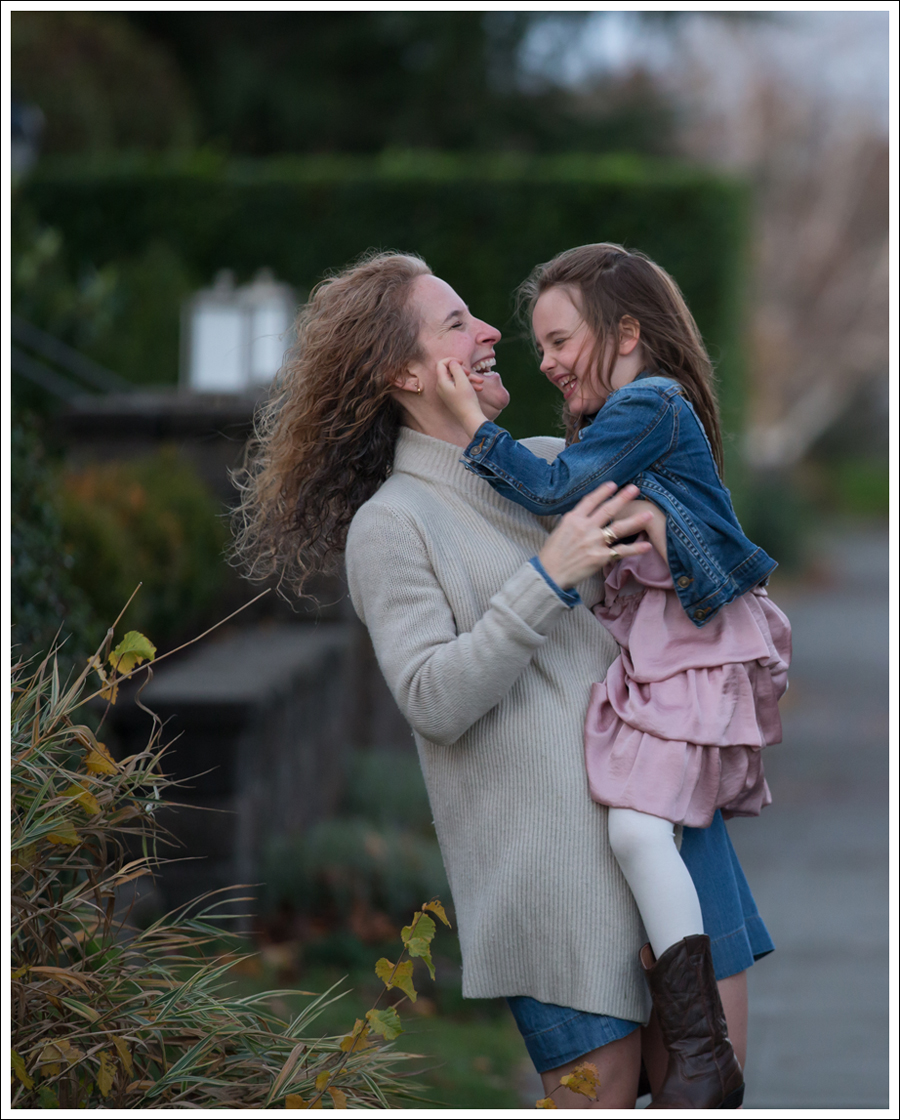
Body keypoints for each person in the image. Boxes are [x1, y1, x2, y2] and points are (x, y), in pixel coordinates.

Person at [232, 249, 775, 1109]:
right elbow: (434, 699)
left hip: (671, 825)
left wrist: (675, 539)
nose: (492, 332)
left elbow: (705, 575)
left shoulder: (557, 464)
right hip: (553, 881)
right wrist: (549, 576)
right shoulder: (392, 526)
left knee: (712, 1093)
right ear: (405, 372)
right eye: (458, 323)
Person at [435, 242, 791, 1108]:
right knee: (637, 829)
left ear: (627, 333)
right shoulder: (632, 417)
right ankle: (696, 1045)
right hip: (670, 658)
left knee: (636, 831)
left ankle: (701, 1053)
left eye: (560, 341)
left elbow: (557, 489)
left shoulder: (649, 403)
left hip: (688, 659)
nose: (546, 362)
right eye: (541, 347)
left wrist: (471, 428)